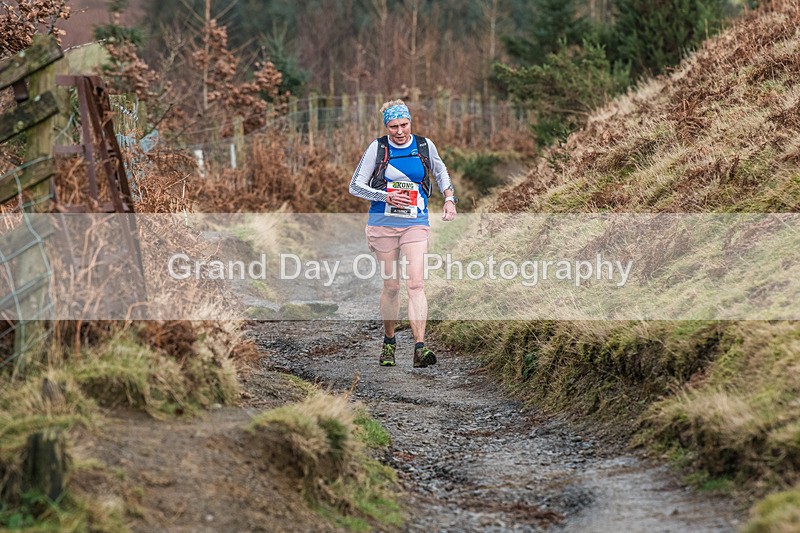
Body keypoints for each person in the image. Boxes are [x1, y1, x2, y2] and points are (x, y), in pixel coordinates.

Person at [349, 99, 457, 368]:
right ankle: (389, 341)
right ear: (386, 126)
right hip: (382, 223)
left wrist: (449, 198)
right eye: (393, 126)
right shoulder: (378, 147)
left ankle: (420, 348)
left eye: (404, 125)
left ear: (411, 122)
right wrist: (386, 195)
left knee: (416, 285)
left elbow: (440, 170)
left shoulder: (423, 145)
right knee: (392, 287)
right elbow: (355, 186)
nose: (399, 131)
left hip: (415, 222)